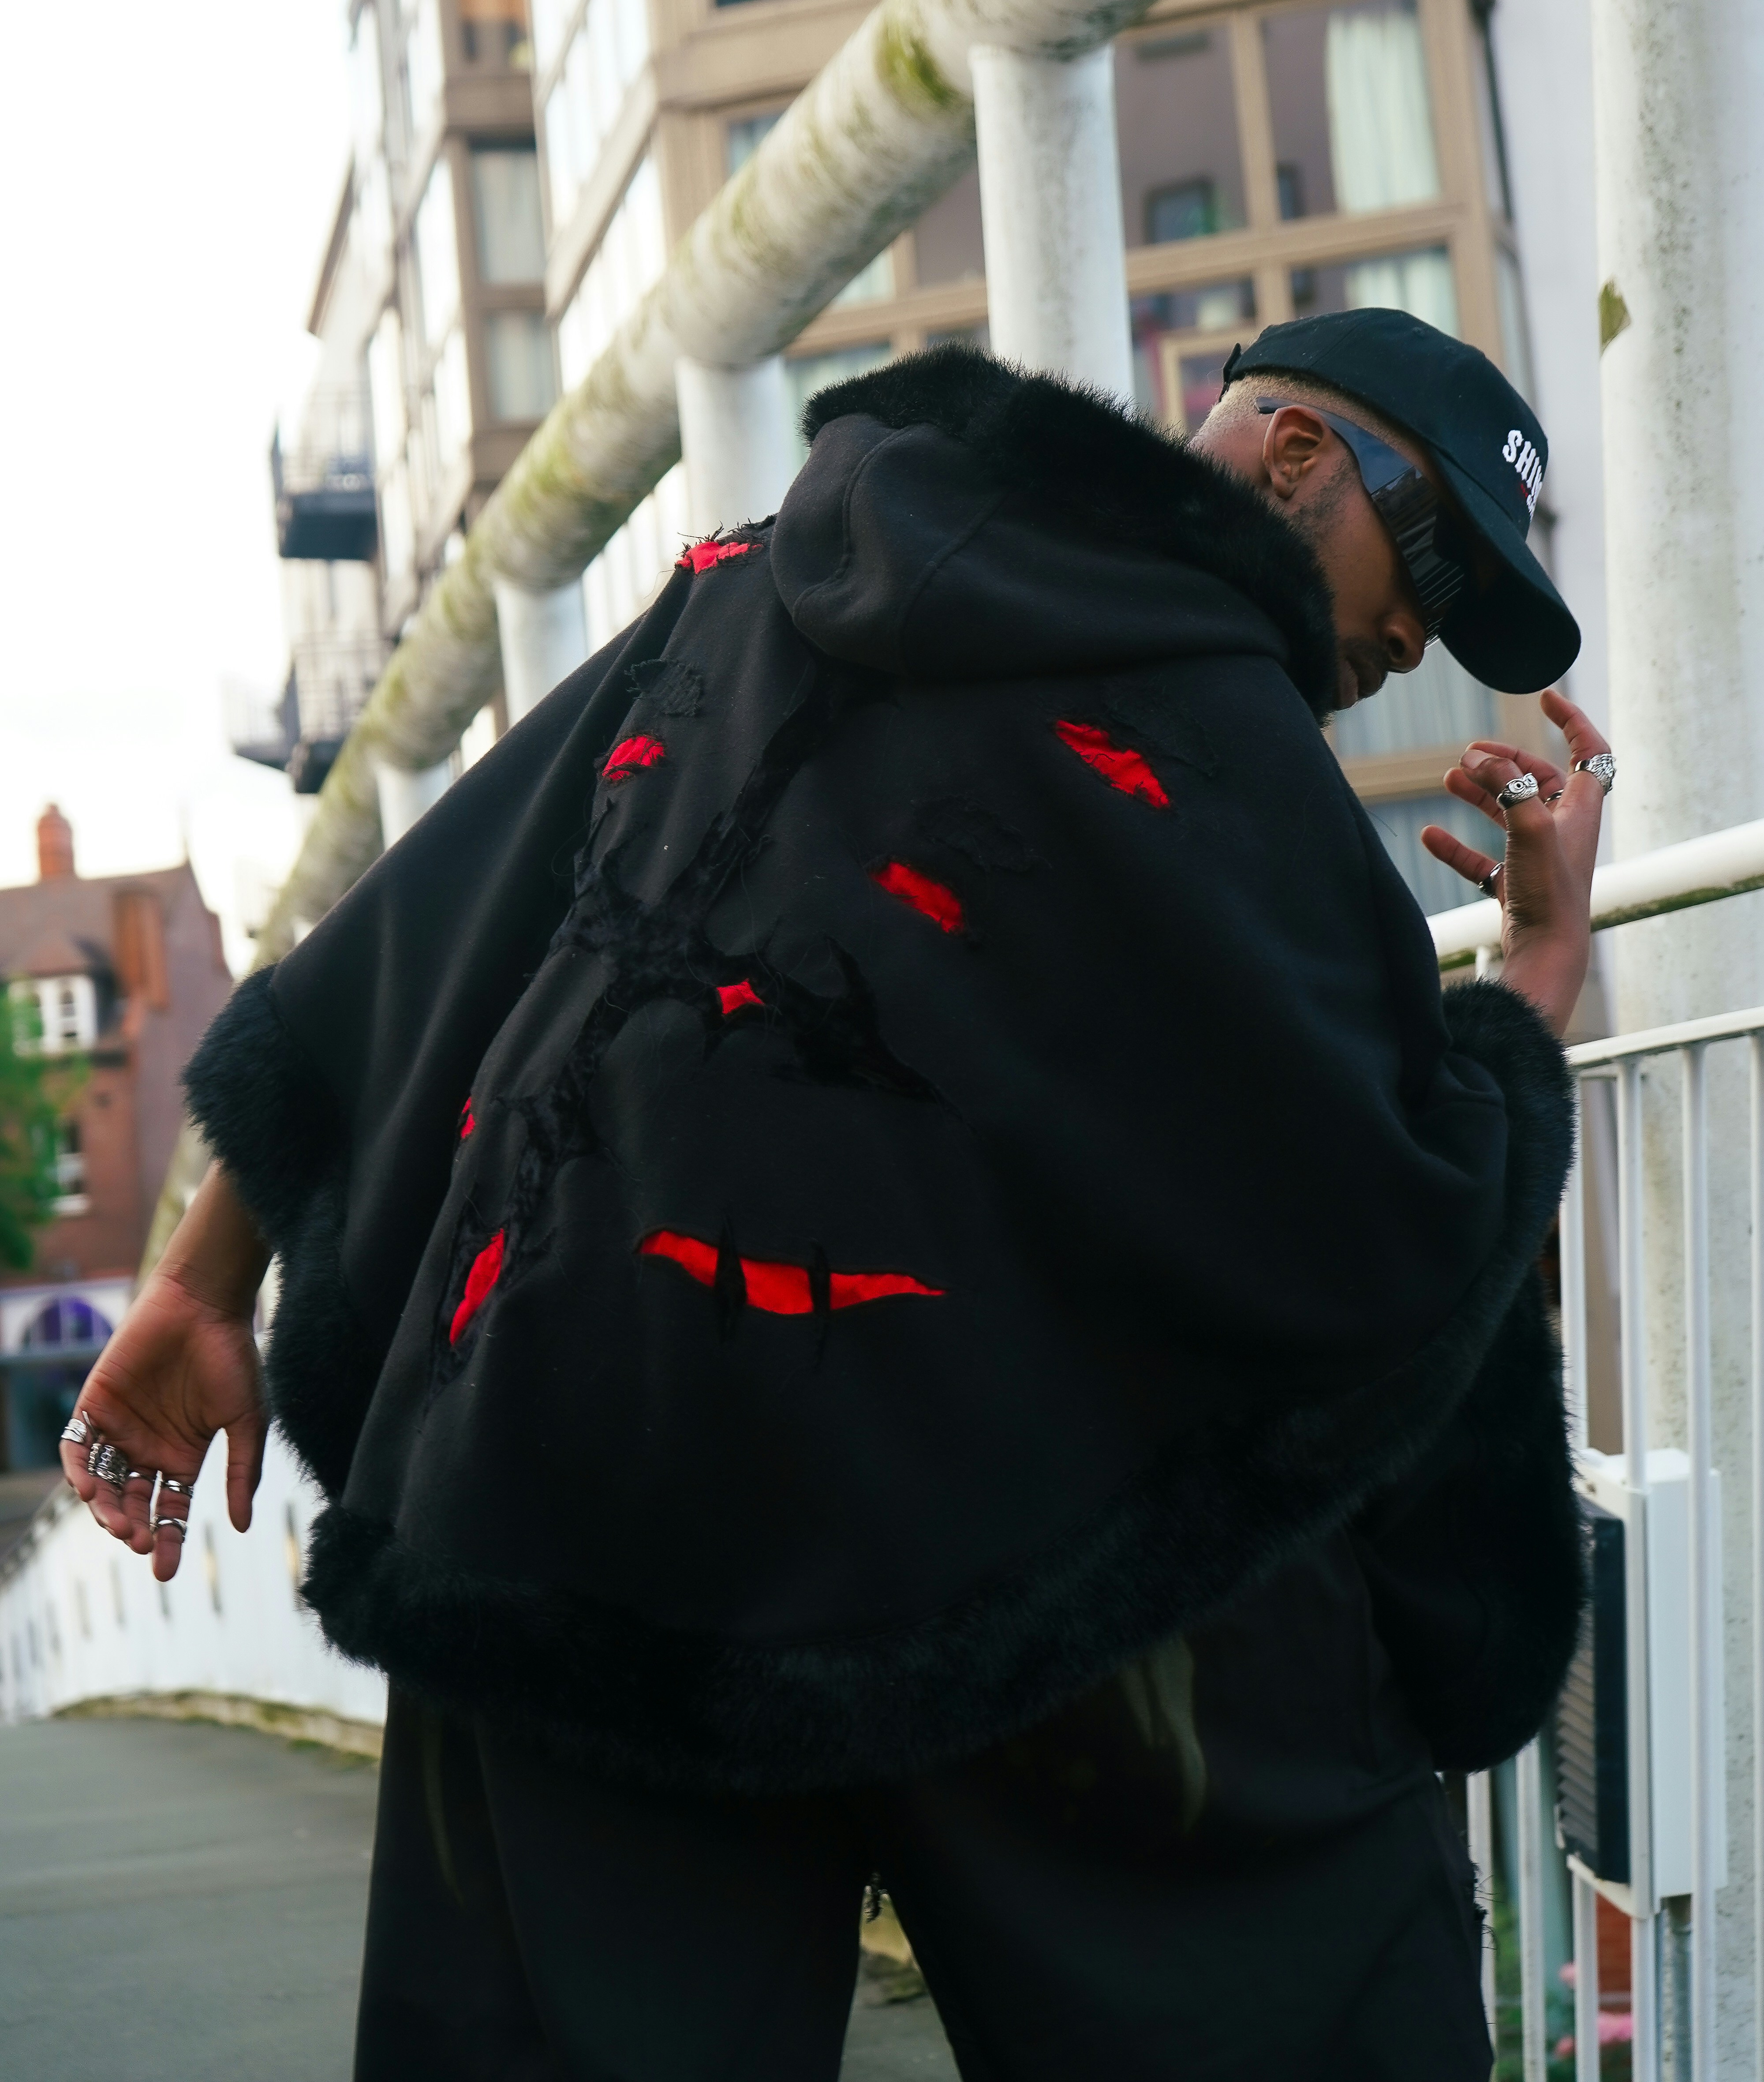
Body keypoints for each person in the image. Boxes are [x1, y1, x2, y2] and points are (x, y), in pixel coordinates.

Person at [63, 311, 1609, 2081]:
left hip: (573, 1495)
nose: (1414, 635)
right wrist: (1531, 986)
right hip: (997, 1561)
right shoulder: (1233, 758)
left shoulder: (747, 584)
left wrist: (204, 1276)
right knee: (1301, 1972)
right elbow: (1380, 1228)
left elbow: (434, 923)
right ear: (1293, 458)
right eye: (1428, 567)